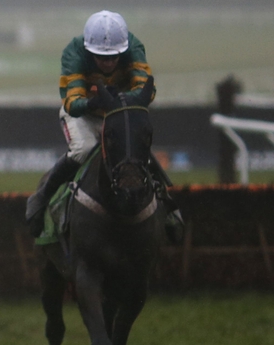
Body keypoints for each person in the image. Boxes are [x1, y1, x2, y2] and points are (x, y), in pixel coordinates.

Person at [25, 10, 184, 243]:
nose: (108, 62)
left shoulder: (134, 47)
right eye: (101, 57)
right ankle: (41, 198)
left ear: (123, 50)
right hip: (83, 114)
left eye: (113, 57)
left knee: (133, 149)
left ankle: (168, 206)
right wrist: (93, 102)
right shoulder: (74, 52)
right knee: (83, 149)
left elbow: (144, 89)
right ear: (89, 50)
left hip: (118, 112)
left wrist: (124, 102)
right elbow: (71, 102)